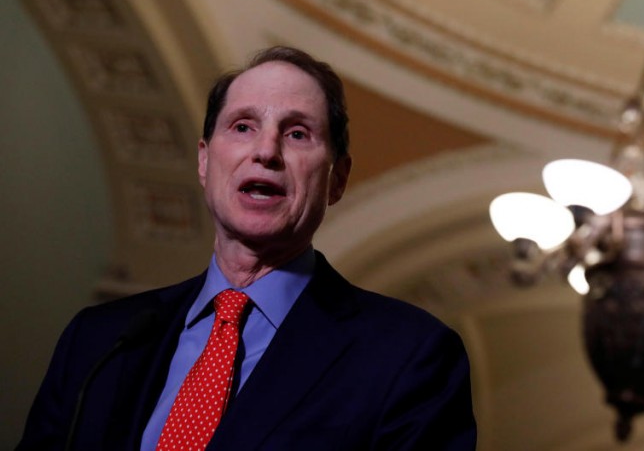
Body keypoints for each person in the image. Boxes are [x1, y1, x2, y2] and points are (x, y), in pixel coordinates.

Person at [18, 46, 477, 450]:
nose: (266, 151)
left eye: (297, 133)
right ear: (204, 160)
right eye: (242, 127)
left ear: (336, 178)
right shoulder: (99, 341)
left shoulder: (409, 355)